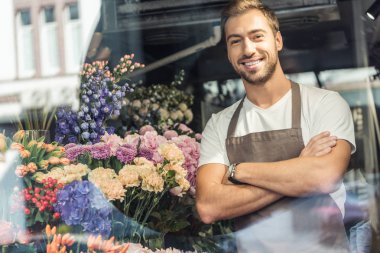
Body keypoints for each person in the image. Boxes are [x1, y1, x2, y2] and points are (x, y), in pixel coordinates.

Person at [195, 0, 356, 252]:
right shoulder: (219, 124)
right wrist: (299, 170)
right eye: (235, 41)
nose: (248, 49)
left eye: (257, 36)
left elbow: (323, 178)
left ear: (277, 41)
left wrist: (238, 171)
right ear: (228, 53)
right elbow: (208, 207)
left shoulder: (324, 104)